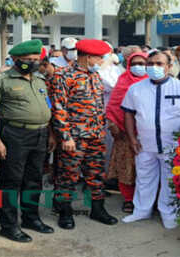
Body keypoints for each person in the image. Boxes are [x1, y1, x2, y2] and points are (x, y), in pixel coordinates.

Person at [120, 50, 180, 229]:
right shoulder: (135, 89)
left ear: (169, 67)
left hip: (172, 145)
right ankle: (141, 211)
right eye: (150, 64)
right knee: (144, 177)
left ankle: (168, 214)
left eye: (159, 64)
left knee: (170, 179)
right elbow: (128, 114)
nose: (153, 67)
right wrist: (132, 139)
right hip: (144, 144)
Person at [0, 39, 56, 243]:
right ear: (16, 59)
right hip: (14, 134)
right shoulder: (1, 80)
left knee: (34, 180)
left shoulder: (39, 81)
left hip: (40, 134)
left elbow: (48, 107)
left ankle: (31, 218)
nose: (34, 63)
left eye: (37, 59)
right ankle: (8, 225)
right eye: (29, 59)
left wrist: (51, 134)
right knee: (10, 181)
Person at [49, 39, 118, 230]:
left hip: (96, 134)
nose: (102, 61)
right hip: (75, 137)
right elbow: (58, 107)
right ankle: (64, 211)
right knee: (68, 176)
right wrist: (65, 136)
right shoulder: (63, 76)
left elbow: (97, 105)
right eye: (100, 58)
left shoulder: (94, 76)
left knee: (96, 174)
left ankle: (98, 209)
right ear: (88, 57)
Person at [106, 52, 148, 213]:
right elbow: (113, 105)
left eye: (143, 63)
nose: (139, 67)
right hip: (123, 133)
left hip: (146, 133)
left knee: (145, 168)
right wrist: (113, 123)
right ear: (129, 65)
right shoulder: (123, 81)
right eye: (135, 63)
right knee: (126, 167)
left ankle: (145, 198)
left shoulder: (152, 83)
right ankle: (128, 199)